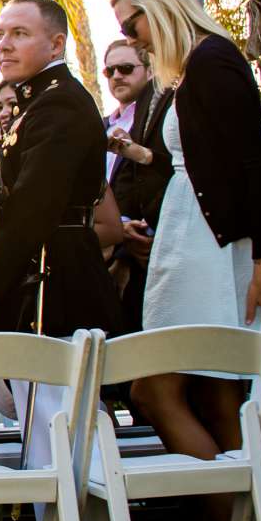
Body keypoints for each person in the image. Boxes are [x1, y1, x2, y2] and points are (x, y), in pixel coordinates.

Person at [109, 0, 261, 482]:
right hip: (191, 233)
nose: (131, 37)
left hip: (208, 244)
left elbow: (257, 164)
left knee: (158, 389)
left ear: (160, 7)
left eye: (132, 24)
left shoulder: (213, 60)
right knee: (212, 390)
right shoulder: (193, 67)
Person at [0, 0, 120, 470]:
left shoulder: (60, 104)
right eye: (0, 34)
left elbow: (34, 205)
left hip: (57, 278)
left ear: (56, 43)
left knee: (68, 432)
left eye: (19, 34)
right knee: (42, 433)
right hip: (40, 272)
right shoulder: (38, 102)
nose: (4, 45)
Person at [99, 38, 172, 329]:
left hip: (148, 249)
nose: (117, 76)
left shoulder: (163, 118)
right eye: (109, 71)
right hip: (107, 251)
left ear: (150, 70)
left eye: (126, 68)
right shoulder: (101, 125)